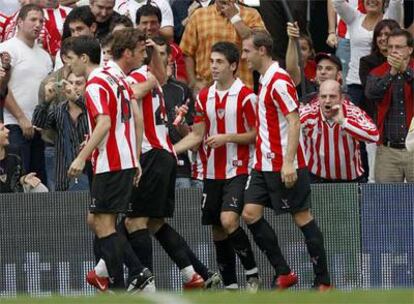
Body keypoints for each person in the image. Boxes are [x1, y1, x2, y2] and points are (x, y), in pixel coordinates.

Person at [125, 35, 220, 290]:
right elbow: (157, 75)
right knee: (154, 223)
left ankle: (146, 284)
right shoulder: (154, 78)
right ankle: (194, 274)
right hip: (165, 154)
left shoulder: (136, 79)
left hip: (151, 154)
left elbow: (130, 94)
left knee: (134, 222)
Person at [240, 30, 331, 291]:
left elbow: (294, 120)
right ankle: (284, 271)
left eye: (246, 51)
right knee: (249, 213)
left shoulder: (278, 80)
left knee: (302, 217)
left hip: (283, 163)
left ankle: (323, 281)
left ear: (262, 51)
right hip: (262, 164)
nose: (243, 56)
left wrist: (289, 162)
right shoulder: (265, 78)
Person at [66, 32, 154, 292]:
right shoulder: (116, 77)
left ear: (84, 58)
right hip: (124, 158)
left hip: (111, 161)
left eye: (71, 59)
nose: (69, 65)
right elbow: (136, 119)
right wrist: (135, 156)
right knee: (96, 220)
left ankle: (138, 274)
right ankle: (111, 273)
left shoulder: (95, 84)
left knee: (103, 224)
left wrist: (82, 157)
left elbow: (104, 123)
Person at [174, 41, 260, 291]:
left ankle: (252, 274)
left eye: (219, 62)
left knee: (229, 220)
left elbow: (256, 134)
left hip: (239, 168)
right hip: (210, 172)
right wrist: (169, 150)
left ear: (233, 66)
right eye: (211, 61)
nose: (213, 66)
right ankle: (231, 286)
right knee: (217, 229)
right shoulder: (203, 96)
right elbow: (197, 135)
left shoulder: (246, 97)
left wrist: (227, 137)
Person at [0, 4, 53, 185]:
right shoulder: (8, 49)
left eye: (41, 21)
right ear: (20, 22)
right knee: (18, 181)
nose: (38, 24)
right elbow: (2, 87)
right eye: (33, 19)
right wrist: (21, 118)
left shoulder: (45, 56)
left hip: (38, 128)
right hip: (14, 125)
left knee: (38, 182)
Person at [300, 79, 379, 183]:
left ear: (342, 99)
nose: (327, 101)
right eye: (323, 96)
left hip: (350, 179)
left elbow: (374, 135)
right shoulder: (309, 112)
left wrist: (344, 122)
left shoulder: (352, 112)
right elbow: (289, 128)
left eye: (332, 96)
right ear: (318, 98)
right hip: (317, 178)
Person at [180, 0, 265, 92]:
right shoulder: (199, 15)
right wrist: (193, 82)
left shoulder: (251, 14)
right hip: (206, 90)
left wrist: (235, 18)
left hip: (242, 91)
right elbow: (186, 52)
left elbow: (261, 45)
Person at [332, 0, 403, 107]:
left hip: (383, 81)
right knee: (354, 121)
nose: (372, 1)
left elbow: (396, 2)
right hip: (355, 84)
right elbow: (337, 3)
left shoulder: (390, 18)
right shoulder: (354, 18)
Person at [365, 28, 414, 183]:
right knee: (387, 204)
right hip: (388, 150)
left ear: (410, 49)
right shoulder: (378, 72)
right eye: (390, 47)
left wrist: (405, 70)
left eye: (398, 47)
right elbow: (371, 93)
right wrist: (392, 72)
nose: (393, 51)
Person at [32, 72, 90, 191]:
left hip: (90, 174)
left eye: (78, 84)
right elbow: (38, 123)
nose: (73, 87)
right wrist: (47, 100)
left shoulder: (92, 107)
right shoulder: (60, 109)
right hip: (64, 175)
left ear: (87, 85)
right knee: (62, 207)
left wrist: (77, 100)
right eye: (70, 83)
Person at [150, 36, 194, 188]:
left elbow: (192, 138)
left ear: (169, 57)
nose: (156, 57)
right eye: (153, 53)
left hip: (179, 167)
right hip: (149, 164)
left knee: (185, 211)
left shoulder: (181, 89)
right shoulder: (137, 85)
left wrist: (181, 123)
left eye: (161, 53)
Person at [136, 4, 187, 82]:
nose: (149, 27)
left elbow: (183, 83)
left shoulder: (174, 49)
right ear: (137, 25)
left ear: (159, 24)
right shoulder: (132, 49)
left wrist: (169, 77)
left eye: (153, 22)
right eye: (145, 23)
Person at [0, 122, 48, 193]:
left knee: (39, 188)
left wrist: (25, 179)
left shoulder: (14, 152)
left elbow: (19, 177)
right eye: (2, 129)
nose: (8, 130)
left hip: (13, 196)